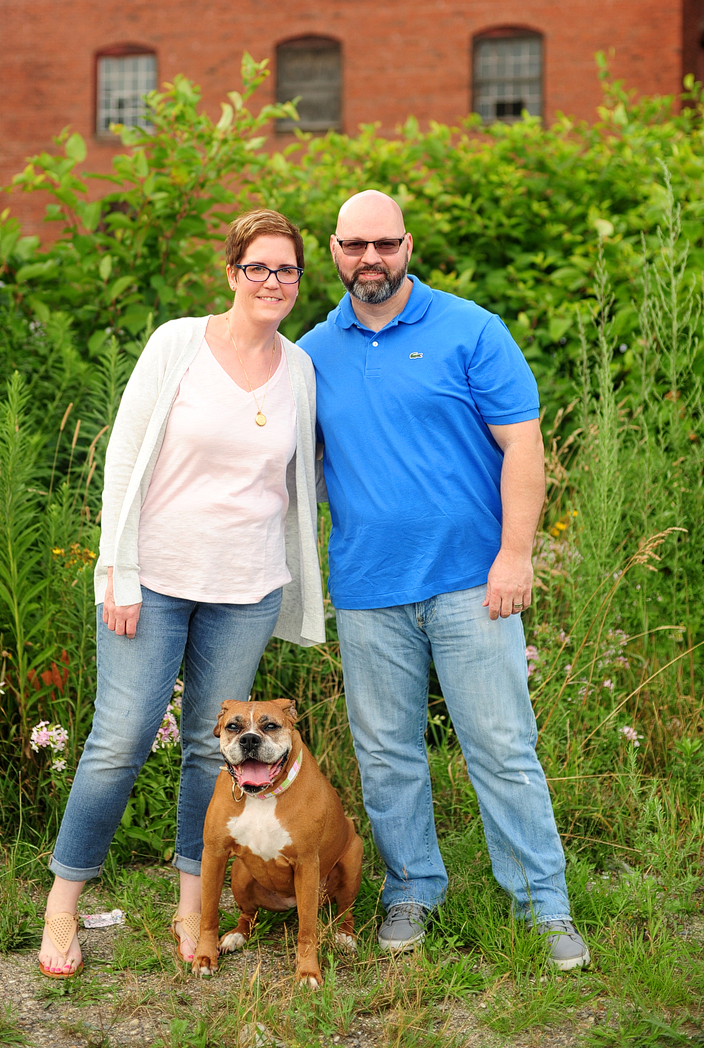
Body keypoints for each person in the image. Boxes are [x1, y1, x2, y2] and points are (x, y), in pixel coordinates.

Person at [298, 189, 590, 970]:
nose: (371, 259)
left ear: (408, 245)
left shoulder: (472, 330)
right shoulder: (311, 352)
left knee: (501, 746)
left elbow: (522, 448)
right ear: (333, 251)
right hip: (369, 588)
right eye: (355, 245)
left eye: (385, 244)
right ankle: (412, 890)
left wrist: (515, 555)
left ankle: (544, 906)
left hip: (473, 582)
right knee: (388, 753)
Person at [38, 209, 325, 976]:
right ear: (232, 272)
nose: (273, 282)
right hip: (155, 581)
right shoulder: (177, 344)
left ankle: (191, 906)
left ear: (299, 280)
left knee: (217, 753)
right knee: (119, 741)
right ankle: (63, 905)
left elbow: (306, 477)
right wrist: (117, 570)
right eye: (259, 267)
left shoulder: (299, 368)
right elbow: (124, 459)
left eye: (287, 270)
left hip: (247, 587)